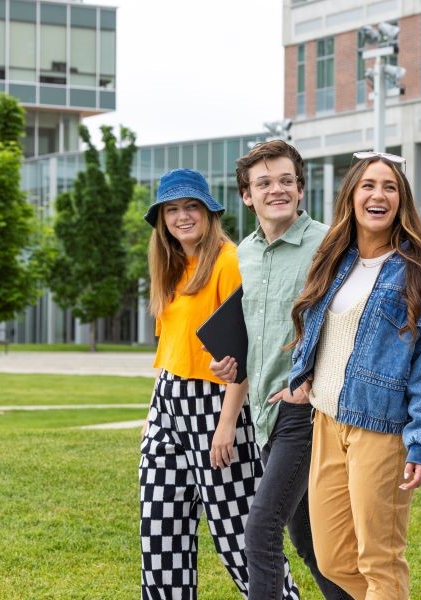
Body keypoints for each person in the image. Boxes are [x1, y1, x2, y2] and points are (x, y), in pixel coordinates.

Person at [286, 151, 421, 599]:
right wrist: (302, 374)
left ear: (401, 202)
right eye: (368, 185)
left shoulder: (418, 275)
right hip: (326, 421)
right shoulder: (335, 263)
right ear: (352, 196)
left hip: (380, 430)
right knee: (332, 557)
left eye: (389, 187)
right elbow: (316, 327)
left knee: (379, 560)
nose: (378, 195)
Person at [210, 140, 349, 600]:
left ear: (301, 189)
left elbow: (349, 322)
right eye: (264, 183)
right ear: (246, 195)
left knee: (260, 530)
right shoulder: (243, 254)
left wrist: (309, 382)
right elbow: (252, 332)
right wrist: (230, 363)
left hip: (304, 411)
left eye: (286, 181)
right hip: (264, 413)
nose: (277, 190)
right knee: (311, 544)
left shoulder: (329, 244)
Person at [139, 168, 268, 599]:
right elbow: (168, 349)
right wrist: (152, 414)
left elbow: (242, 350)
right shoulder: (170, 266)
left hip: (217, 404)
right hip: (168, 404)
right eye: (172, 209)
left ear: (209, 212)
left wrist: (227, 422)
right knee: (160, 536)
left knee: (238, 538)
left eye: (191, 206)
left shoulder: (229, 261)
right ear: (162, 220)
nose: (182, 216)